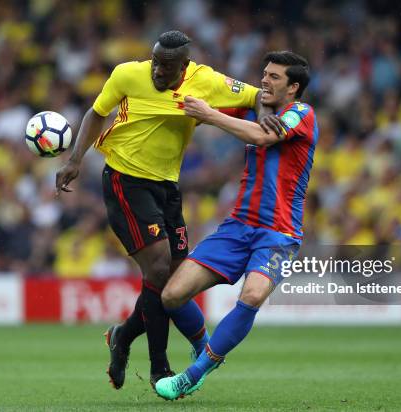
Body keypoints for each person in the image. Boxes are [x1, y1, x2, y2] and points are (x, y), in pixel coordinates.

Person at [54, 30, 282, 389]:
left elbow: (256, 96)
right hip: (125, 179)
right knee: (159, 267)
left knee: (174, 282)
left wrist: (266, 116)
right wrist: (75, 159)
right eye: (156, 62)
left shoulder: (205, 80)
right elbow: (96, 113)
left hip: (167, 187)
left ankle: (123, 336)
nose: (158, 71)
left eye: (167, 66)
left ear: (185, 66)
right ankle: (159, 366)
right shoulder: (128, 74)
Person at [154, 51, 317, 399]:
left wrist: (210, 115)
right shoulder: (254, 111)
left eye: (274, 77)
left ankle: (191, 376)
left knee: (253, 294)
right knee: (171, 295)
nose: (264, 80)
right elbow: (198, 106)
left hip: (278, 232)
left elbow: (261, 137)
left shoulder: (302, 114)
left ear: (294, 87)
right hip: (237, 227)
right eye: (264, 74)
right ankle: (203, 348)